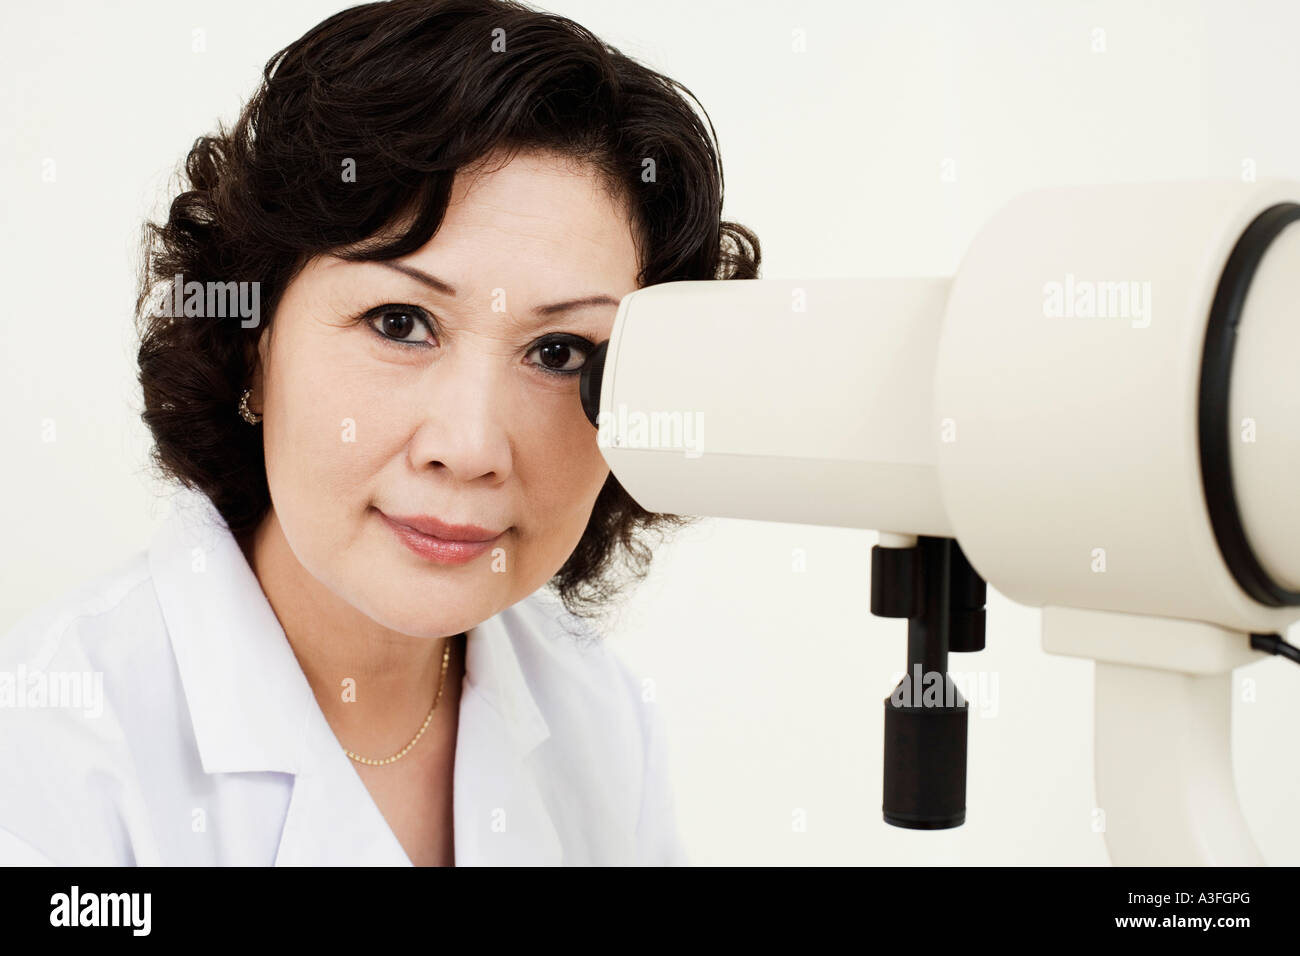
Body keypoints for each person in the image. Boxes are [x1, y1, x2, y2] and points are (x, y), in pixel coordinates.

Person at [0, 0, 759, 866]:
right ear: (254, 345)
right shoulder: (51, 755)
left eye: (558, 351)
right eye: (400, 322)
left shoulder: (602, 717)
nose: (470, 446)